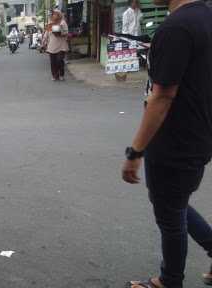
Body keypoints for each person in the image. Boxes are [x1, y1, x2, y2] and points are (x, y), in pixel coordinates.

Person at [121, 0, 212, 287]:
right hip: (200, 134)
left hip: (175, 139)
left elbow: (162, 96)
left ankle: (168, 281)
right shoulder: (205, 18)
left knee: (170, 215)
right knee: (174, 202)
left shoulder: (177, 28)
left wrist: (135, 151)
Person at [43, 10, 69, 81]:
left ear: (59, 15)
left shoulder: (62, 22)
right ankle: (55, 75)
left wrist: (60, 32)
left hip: (61, 45)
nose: (54, 15)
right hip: (52, 46)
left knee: (59, 60)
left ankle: (61, 74)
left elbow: (66, 32)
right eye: (53, 14)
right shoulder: (50, 23)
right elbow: (47, 33)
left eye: (56, 14)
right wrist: (44, 41)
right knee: (53, 62)